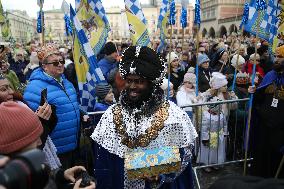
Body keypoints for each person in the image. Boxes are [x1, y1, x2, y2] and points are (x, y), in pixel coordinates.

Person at [91, 46, 197, 189]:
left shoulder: (174, 115)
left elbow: (183, 158)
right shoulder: (111, 115)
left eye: (139, 81)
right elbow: (104, 164)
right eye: (129, 81)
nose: (132, 86)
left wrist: (160, 175)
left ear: (151, 84)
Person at [0, 102, 96, 189]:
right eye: (34, 139)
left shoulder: (26, 169)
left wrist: (61, 176)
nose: (40, 142)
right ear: (16, 147)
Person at [23, 44, 81, 169]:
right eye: (55, 63)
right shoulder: (35, 88)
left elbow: (70, 105)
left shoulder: (67, 82)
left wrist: (81, 112)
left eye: (61, 61)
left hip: (73, 146)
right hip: (55, 150)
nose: (60, 64)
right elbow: (33, 122)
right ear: (44, 66)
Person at [248, 45, 284, 178]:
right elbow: (260, 97)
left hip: (280, 129)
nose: (276, 59)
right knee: (262, 155)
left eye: (280, 57)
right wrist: (254, 91)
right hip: (265, 126)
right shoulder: (270, 75)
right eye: (276, 56)